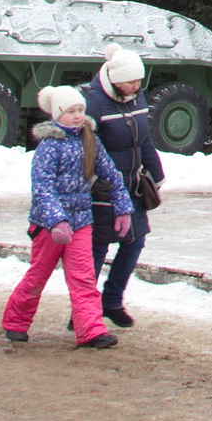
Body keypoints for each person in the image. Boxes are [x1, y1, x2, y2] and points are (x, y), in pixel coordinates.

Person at [1, 85, 127, 350]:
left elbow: (111, 174)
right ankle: (15, 322)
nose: (78, 116)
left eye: (80, 110)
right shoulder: (49, 147)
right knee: (38, 276)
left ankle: (91, 331)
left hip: (81, 223)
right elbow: (42, 188)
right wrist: (57, 220)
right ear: (57, 115)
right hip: (49, 226)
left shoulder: (90, 139)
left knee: (83, 278)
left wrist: (123, 206)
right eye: (71, 111)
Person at [81, 44, 166, 328]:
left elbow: (144, 138)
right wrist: (94, 183)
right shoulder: (94, 103)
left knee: (135, 241)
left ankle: (112, 301)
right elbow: (85, 149)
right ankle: (83, 312)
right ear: (115, 79)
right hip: (104, 190)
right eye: (131, 81)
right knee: (98, 247)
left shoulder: (136, 97)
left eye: (139, 81)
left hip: (133, 186)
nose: (136, 86)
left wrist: (156, 173)